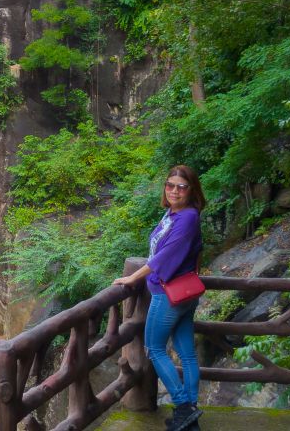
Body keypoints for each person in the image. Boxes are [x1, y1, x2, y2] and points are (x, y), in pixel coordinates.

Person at [112, 165, 205, 431]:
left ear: (192, 190)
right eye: (170, 185)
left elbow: (163, 257)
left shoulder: (187, 217)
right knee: (186, 354)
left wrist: (133, 277)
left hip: (168, 294)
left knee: (154, 349)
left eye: (181, 186)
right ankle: (190, 417)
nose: (174, 190)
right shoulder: (173, 214)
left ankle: (184, 406)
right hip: (184, 293)